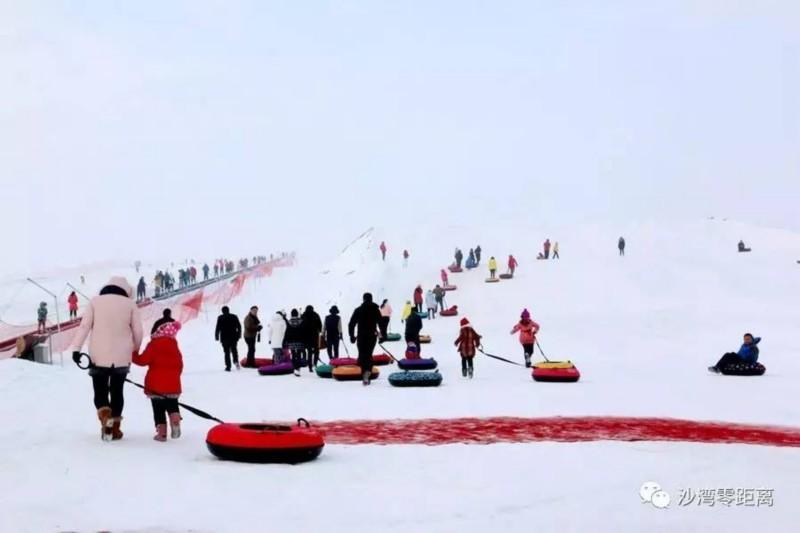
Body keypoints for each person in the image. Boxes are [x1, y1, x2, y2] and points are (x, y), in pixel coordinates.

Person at [70, 276, 144, 441]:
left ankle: (105, 417)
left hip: (98, 356)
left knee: (100, 390)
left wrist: (76, 349)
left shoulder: (95, 302)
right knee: (117, 391)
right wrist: (134, 348)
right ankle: (115, 429)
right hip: (122, 357)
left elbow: (84, 327)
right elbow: (138, 331)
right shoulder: (130, 304)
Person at [133, 321, 184, 442]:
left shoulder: (154, 344)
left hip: (156, 384)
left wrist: (133, 354)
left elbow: (142, 361)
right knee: (172, 404)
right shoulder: (174, 345)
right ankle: (175, 418)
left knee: (158, 408)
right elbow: (180, 365)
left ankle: (161, 434)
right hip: (173, 384)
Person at [348, 293, 382, 385]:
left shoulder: (359, 310)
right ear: (371, 299)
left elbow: (351, 324)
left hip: (361, 336)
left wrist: (352, 335)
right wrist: (383, 335)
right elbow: (381, 323)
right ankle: (367, 372)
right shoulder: (375, 310)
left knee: (362, 354)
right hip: (371, 336)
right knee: (369, 354)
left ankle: (364, 373)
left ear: (363, 299)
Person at [215, 306, 242, 372]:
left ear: (222, 311)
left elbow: (217, 328)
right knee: (234, 350)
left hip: (224, 338)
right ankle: (236, 361)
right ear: (229, 310)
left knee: (226, 352)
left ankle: (228, 366)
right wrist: (239, 335)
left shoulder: (220, 318)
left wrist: (217, 336)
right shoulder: (234, 316)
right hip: (233, 337)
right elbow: (239, 326)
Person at [283, 309, 306, 376]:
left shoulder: (289, 322)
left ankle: (294, 367)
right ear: (297, 314)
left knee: (293, 354)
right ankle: (298, 368)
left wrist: (286, 341)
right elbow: (303, 332)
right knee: (298, 354)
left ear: (291, 314)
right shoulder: (301, 321)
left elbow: (287, 332)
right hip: (299, 340)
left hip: (291, 341)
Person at [301, 305, 323, 371]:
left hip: (306, 337)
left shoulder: (303, 315)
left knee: (309, 352)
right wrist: (319, 330)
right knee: (316, 350)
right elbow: (320, 325)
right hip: (315, 336)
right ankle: (315, 364)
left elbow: (301, 326)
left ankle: (310, 366)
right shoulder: (316, 315)